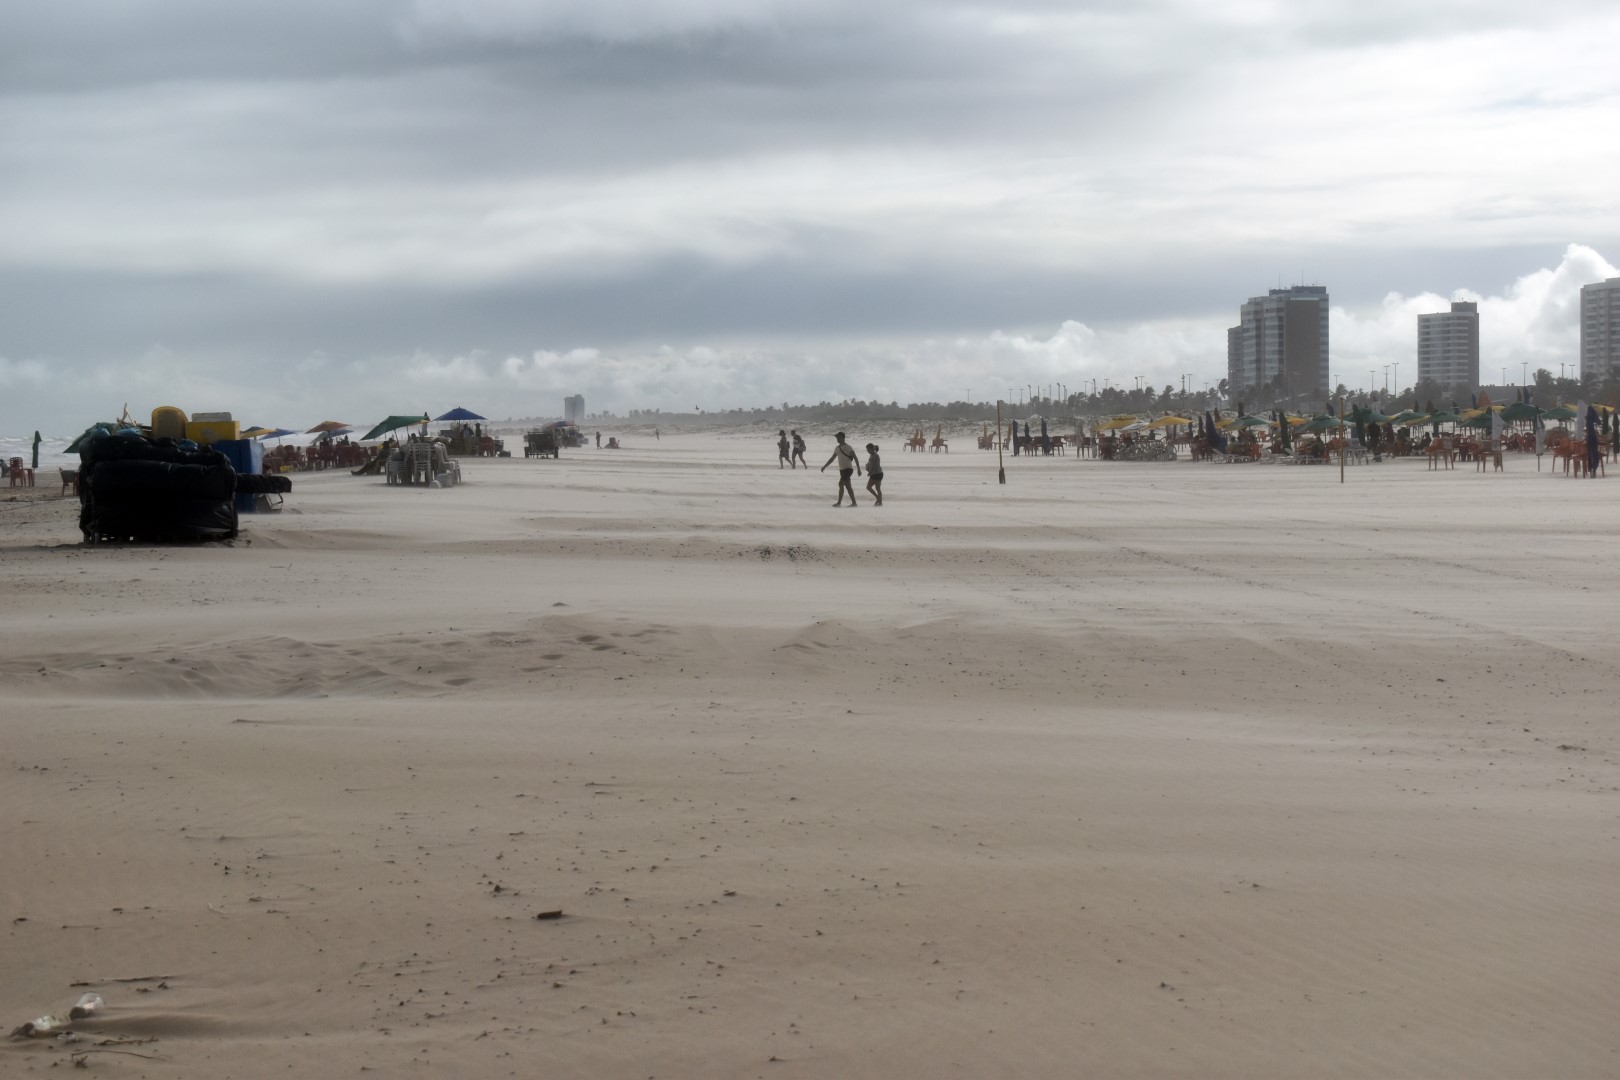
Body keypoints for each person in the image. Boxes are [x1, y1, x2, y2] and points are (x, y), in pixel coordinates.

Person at [820, 431, 861, 506]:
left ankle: (849, 503)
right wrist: (824, 466)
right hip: (842, 470)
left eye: (838, 437)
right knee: (843, 484)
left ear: (843, 438)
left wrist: (859, 469)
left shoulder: (848, 447)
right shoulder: (837, 448)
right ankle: (845, 502)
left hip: (848, 469)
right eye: (837, 438)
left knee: (845, 485)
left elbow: (855, 458)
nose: (837, 439)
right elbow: (832, 459)